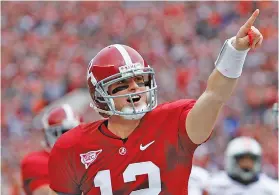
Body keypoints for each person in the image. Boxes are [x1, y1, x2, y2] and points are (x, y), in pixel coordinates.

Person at [48, 9, 264, 195]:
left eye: (140, 80)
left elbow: (215, 95)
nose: (135, 87)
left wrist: (235, 51)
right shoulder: (72, 147)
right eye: (122, 84)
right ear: (100, 95)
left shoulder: (174, 122)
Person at [20, 104, 81, 195]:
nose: (69, 137)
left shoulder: (85, 158)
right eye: (64, 132)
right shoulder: (36, 161)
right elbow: (43, 193)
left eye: (74, 132)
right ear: (49, 134)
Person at [204, 136, 279, 195]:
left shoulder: (270, 189)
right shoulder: (214, 186)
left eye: (250, 160)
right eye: (242, 160)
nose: (246, 164)